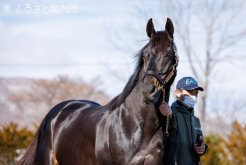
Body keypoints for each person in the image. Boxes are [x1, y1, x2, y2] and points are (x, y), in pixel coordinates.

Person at [160, 77, 208, 165]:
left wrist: (202, 148)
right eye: (190, 92)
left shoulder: (196, 120)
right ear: (178, 93)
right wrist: (169, 116)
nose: (194, 96)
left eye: (196, 93)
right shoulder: (169, 114)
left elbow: (198, 148)